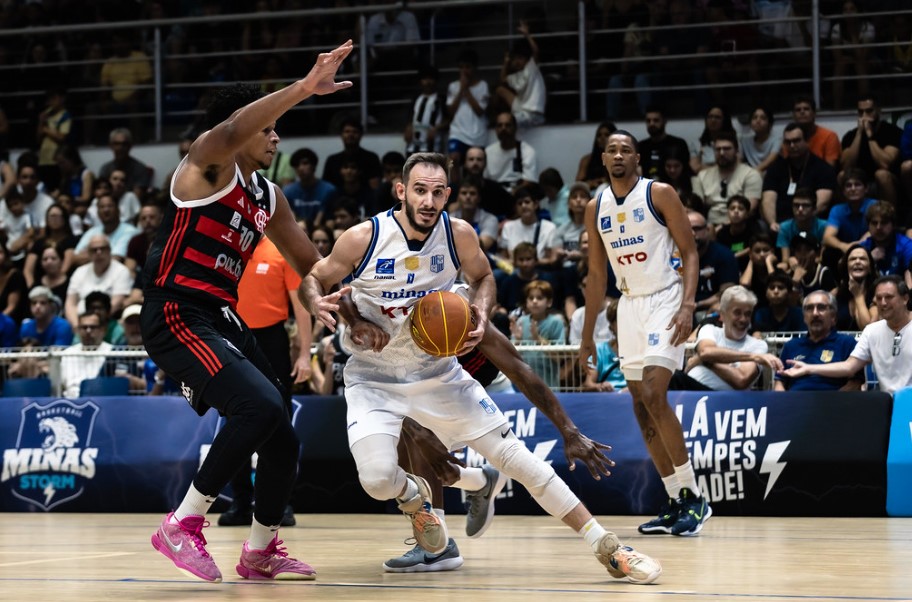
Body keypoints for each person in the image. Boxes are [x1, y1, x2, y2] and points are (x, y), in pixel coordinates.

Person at [302, 151, 662, 584]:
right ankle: (420, 502)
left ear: (448, 195)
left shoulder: (458, 242)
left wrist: (483, 310)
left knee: (517, 460)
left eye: (438, 192)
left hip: (436, 374)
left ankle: (608, 545)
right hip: (372, 378)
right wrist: (337, 312)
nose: (428, 201)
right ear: (401, 191)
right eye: (419, 190)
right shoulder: (364, 237)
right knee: (377, 480)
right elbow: (316, 279)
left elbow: (486, 280)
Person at [140, 40, 356, 583]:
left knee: (281, 429)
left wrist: (342, 292)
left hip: (219, 316)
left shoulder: (269, 196)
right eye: (268, 129)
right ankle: (182, 524)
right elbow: (236, 128)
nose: (276, 135)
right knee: (258, 408)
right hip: (175, 311)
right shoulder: (206, 167)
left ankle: (261, 551)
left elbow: (311, 265)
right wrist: (305, 88)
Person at [579, 130, 711, 537]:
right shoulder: (594, 206)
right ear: (603, 158)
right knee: (639, 405)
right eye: (612, 150)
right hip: (629, 306)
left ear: (637, 158)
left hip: (666, 299)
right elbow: (597, 275)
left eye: (626, 150)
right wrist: (587, 334)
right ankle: (674, 501)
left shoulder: (660, 193)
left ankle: (694, 498)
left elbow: (690, 252)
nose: (619, 155)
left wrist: (689, 305)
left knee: (655, 393)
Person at [781, 275, 912, 395]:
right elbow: (849, 367)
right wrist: (808, 368)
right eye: (878, 298)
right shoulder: (872, 331)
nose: (883, 303)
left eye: (889, 297)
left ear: (905, 299)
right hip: (890, 405)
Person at [669, 286, 781, 391]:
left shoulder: (758, 345)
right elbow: (706, 352)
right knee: (667, 376)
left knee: (676, 378)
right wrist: (754, 356)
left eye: (748, 314)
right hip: (692, 392)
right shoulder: (710, 330)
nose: (743, 319)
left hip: (726, 402)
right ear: (722, 315)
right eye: (737, 313)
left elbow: (741, 380)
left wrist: (703, 360)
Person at [775, 290, 862, 391]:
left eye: (821, 307)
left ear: (833, 316)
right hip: (795, 403)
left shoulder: (847, 343)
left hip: (833, 403)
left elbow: (855, 384)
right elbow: (779, 381)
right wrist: (783, 402)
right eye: (809, 308)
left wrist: (829, 403)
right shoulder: (791, 345)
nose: (815, 313)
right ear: (804, 317)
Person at [761, 122, 838, 231]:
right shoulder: (776, 168)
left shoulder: (823, 168)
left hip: (810, 222)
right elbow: (768, 200)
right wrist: (772, 223)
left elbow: (822, 203)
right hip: (780, 224)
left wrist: (798, 224)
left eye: (796, 141)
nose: (792, 146)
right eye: (788, 142)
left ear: (807, 141)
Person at [841, 95, 903, 205]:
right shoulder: (851, 136)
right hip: (860, 181)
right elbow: (846, 166)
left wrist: (870, 137)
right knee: (841, 175)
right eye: (861, 112)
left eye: (869, 111)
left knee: (881, 174)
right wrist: (859, 134)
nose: (864, 116)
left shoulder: (892, 132)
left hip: (887, 181)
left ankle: (889, 216)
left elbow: (885, 164)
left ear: (878, 111)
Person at [692, 131, 762, 225]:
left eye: (727, 149)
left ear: (736, 150)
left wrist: (723, 228)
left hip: (740, 225)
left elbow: (749, 208)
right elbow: (696, 208)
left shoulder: (751, 174)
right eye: (718, 149)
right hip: (709, 226)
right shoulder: (702, 176)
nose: (721, 153)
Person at [64, 234, 132, 327]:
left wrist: (94, 323)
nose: (98, 252)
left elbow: (117, 302)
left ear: (109, 250)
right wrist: (77, 325)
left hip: (108, 322)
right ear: (88, 253)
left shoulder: (121, 271)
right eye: (94, 250)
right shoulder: (79, 272)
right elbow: (70, 303)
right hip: (81, 324)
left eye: (102, 248)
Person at [492, 20, 546, 128]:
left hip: (533, 113)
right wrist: (506, 62)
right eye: (515, 59)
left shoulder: (531, 67)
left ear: (527, 59)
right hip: (522, 109)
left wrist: (527, 35)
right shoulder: (514, 76)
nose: (517, 62)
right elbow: (502, 79)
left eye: (520, 58)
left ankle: (504, 119)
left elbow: (535, 51)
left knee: (507, 123)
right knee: (499, 90)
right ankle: (494, 117)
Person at [445, 49, 490, 177]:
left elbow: (480, 111)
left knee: (476, 165)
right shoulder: (453, 86)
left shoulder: (483, 86)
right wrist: (460, 90)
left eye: (468, 67)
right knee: (453, 159)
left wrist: (467, 91)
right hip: (458, 133)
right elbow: (450, 111)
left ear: (475, 68)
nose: (464, 71)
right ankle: (455, 191)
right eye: (461, 67)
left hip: (477, 134)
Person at [690, 210, 739, 316]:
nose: (692, 233)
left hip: (710, 308)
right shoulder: (674, 256)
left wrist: (697, 305)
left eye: (697, 229)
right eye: (687, 229)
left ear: (707, 230)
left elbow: (726, 292)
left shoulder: (724, 255)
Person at [59, 311, 113, 398]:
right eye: (84, 327)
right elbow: (59, 386)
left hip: (101, 400)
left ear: (103, 330)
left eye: (93, 327)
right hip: (71, 402)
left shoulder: (112, 352)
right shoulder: (67, 353)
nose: (88, 331)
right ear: (78, 330)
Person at [484, 112, 538, 196]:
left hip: (517, 194)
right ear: (496, 129)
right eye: (500, 125)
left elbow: (530, 181)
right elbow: (485, 180)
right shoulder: (488, 152)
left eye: (507, 125)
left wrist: (512, 193)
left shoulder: (527, 151)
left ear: (515, 128)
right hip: (494, 195)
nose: (503, 129)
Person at [282, 147, 338, 226]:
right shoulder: (288, 191)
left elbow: (330, 219)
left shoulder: (328, 190)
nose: (300, 168)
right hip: (297, 231)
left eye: (305, 163)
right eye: (297, 165)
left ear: (314, 166)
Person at [322, 118, 382, 191]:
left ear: (361, 135)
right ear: (341, 135)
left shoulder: (371, 158)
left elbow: (375, 188)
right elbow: (326, 188)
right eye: (347, 132)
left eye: (355, 132)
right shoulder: (332, 160)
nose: (350, 135)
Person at [776, 188, 829, 268]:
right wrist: (789, 260)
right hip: (794, 265)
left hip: (817, 266)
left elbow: (821, 257)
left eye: (805, 205)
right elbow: (785, 259)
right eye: (796, 205)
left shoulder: (824, 226)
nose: (800, 209)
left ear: (814, 209)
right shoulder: (784, 227)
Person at [859, 201, 912, 279]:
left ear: (893, 225)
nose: (878, 227)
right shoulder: (863, 247)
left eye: (884, 223)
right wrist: (869, 260)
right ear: (868, 226)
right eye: (874, 223)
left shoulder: (906, 246)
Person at [97, 128, 153, 202]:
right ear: (111, 145)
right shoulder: (105, 168)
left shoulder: (140, 168)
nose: (120, 148)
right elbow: (101, 193)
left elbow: (136, 198)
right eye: (117, 144)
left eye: (124, 144)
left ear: (130, 146)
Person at [786, 96, 841, 167]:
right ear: (793, 115)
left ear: (814, 113)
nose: (802, 112)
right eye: (798, 110)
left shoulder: (829, 136)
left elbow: (830, 169)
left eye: (806, 109)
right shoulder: (789, 138)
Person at [834, 243, 879, 330]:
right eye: (852, 259)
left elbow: (868, 329)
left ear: (870, 267)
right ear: (846, 267)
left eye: (862, 259)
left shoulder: (878, 294)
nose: (857, 262)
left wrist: (858, 296)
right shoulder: (835, 294)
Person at [637, 107, 689, 180]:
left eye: (656, 120)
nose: (651, 124)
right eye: (648, 121)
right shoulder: (641, 146)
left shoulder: (678, 144)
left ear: (664, 121)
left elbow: (686, 171)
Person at [404, 65, 445, 156]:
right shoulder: (416, 98)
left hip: (432, 146)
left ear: (436, 81)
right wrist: (408, 128)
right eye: (425, 79)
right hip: (413, 145)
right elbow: (410, 116)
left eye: (431, 79)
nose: (428, 82)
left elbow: (448, 119)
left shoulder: (441, 99)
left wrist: (436, 128)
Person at [575, 122, 616, 191]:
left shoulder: (619, 158)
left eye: (606, 135)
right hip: (590, 193)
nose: (602, 138)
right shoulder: (587, 159)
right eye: (599, 135)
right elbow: (578, 185)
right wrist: (591, 183)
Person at [739, 105, 778, 174]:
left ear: (769, 123)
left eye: (763, 118)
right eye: (754, 118)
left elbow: (769, 161)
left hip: (769, 176)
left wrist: (751, 175)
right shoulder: (745, 140)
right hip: (751, 176)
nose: (758, 120)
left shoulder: (776, 140)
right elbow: (739, 160)